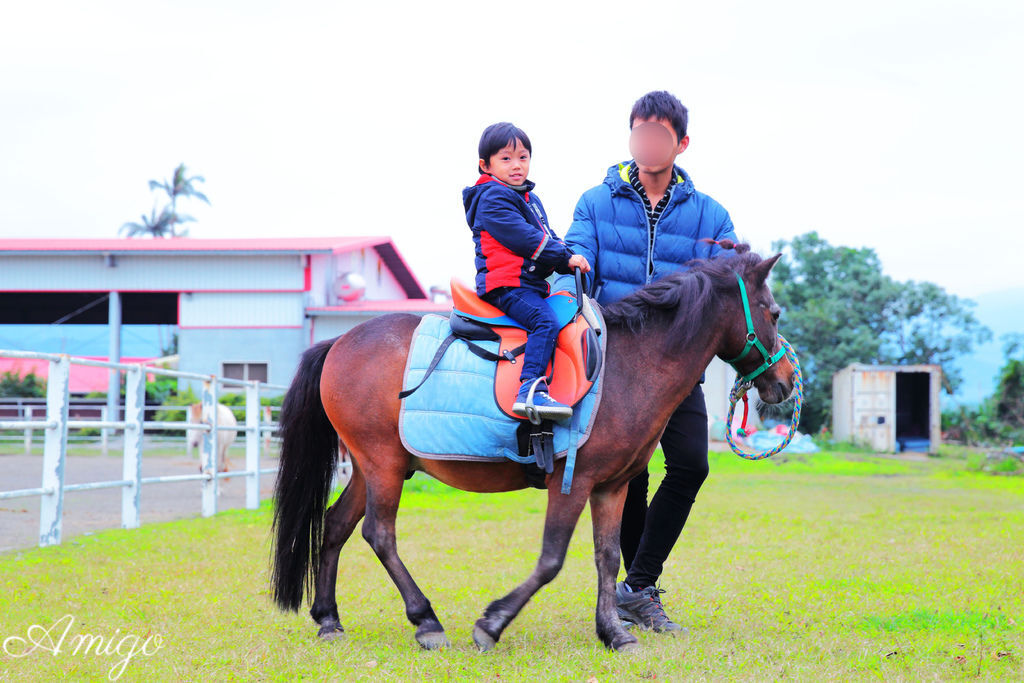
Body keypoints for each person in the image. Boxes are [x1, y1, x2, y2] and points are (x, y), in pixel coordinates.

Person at [562, 91, 738, 632]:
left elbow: (729, 277)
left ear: (680, 143)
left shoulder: (709, 213)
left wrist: (737, 261)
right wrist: (578, 263)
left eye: (660, 134)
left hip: (679, 368)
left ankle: (637, 584)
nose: (648, 142)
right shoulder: (596, 200)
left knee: (691, 465)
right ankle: (633, 591)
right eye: (639, 132)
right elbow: (574, 251)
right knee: (627, 475)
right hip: (612, 362)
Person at [463, 122, 591, 420]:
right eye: (506, 159)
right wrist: (563, 256)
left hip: (527, 285)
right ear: (486, 165)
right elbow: (525, 238)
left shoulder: (529, 200)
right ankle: (530, 389)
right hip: (506, 284)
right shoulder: (492, 198)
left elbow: (550, 237)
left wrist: (569, 257)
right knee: (543, 320)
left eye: (523, 157)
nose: (517, 165)